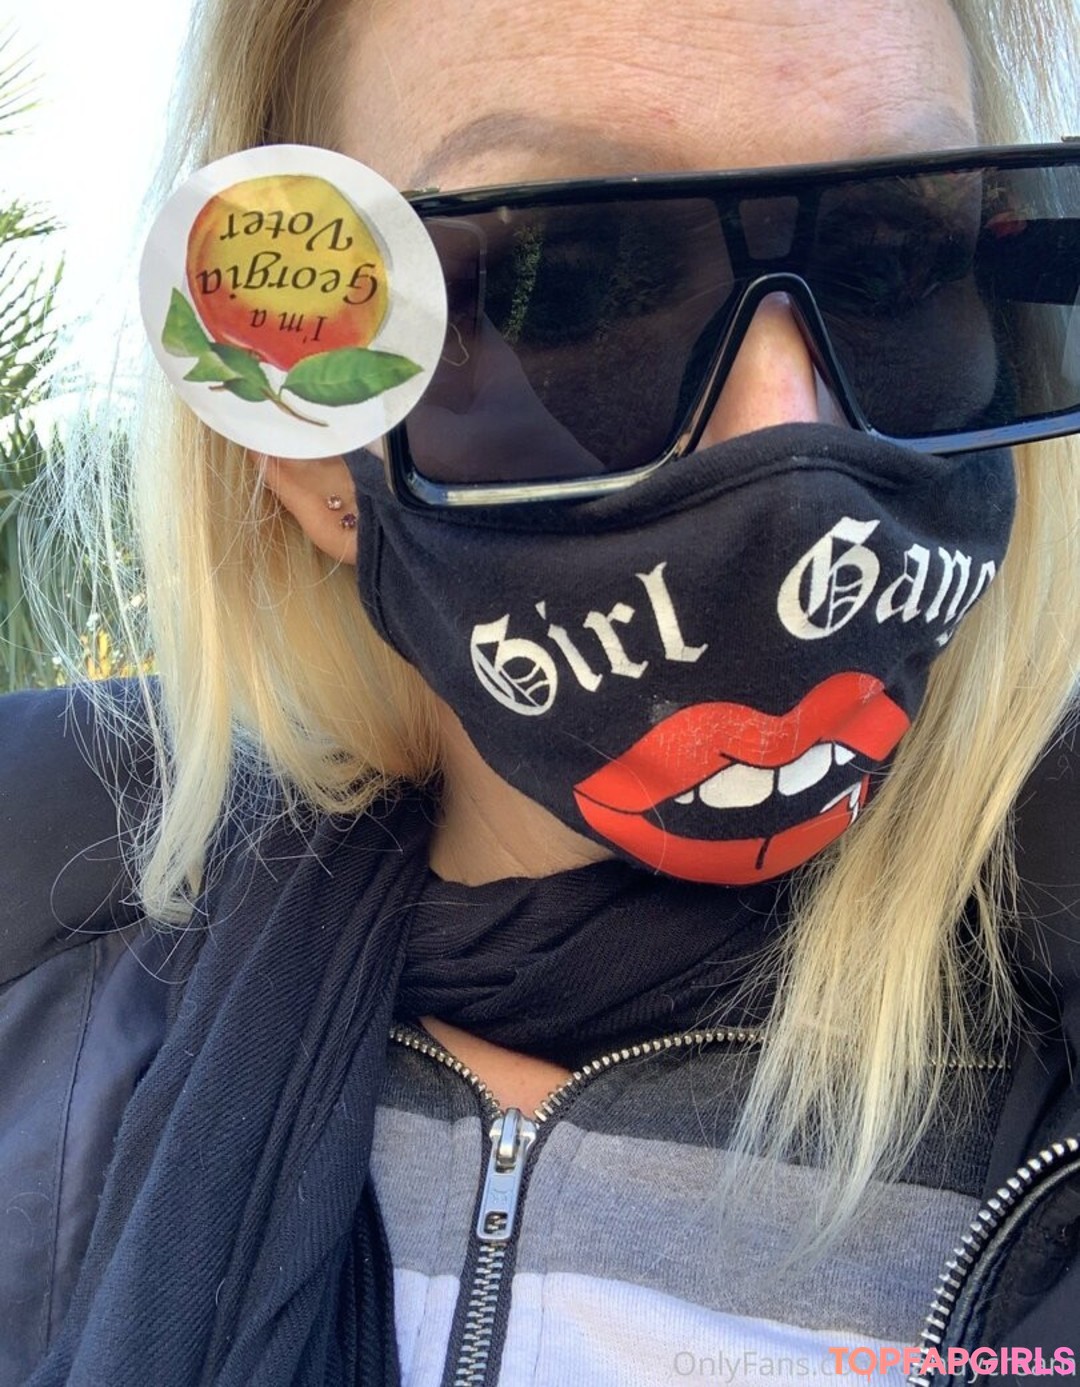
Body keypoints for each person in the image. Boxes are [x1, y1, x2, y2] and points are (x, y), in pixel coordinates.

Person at [1, 0, 1078, 1383]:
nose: (786, 439)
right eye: (565, 284)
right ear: (311, 449)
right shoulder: (42, 983)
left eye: (889, 262)